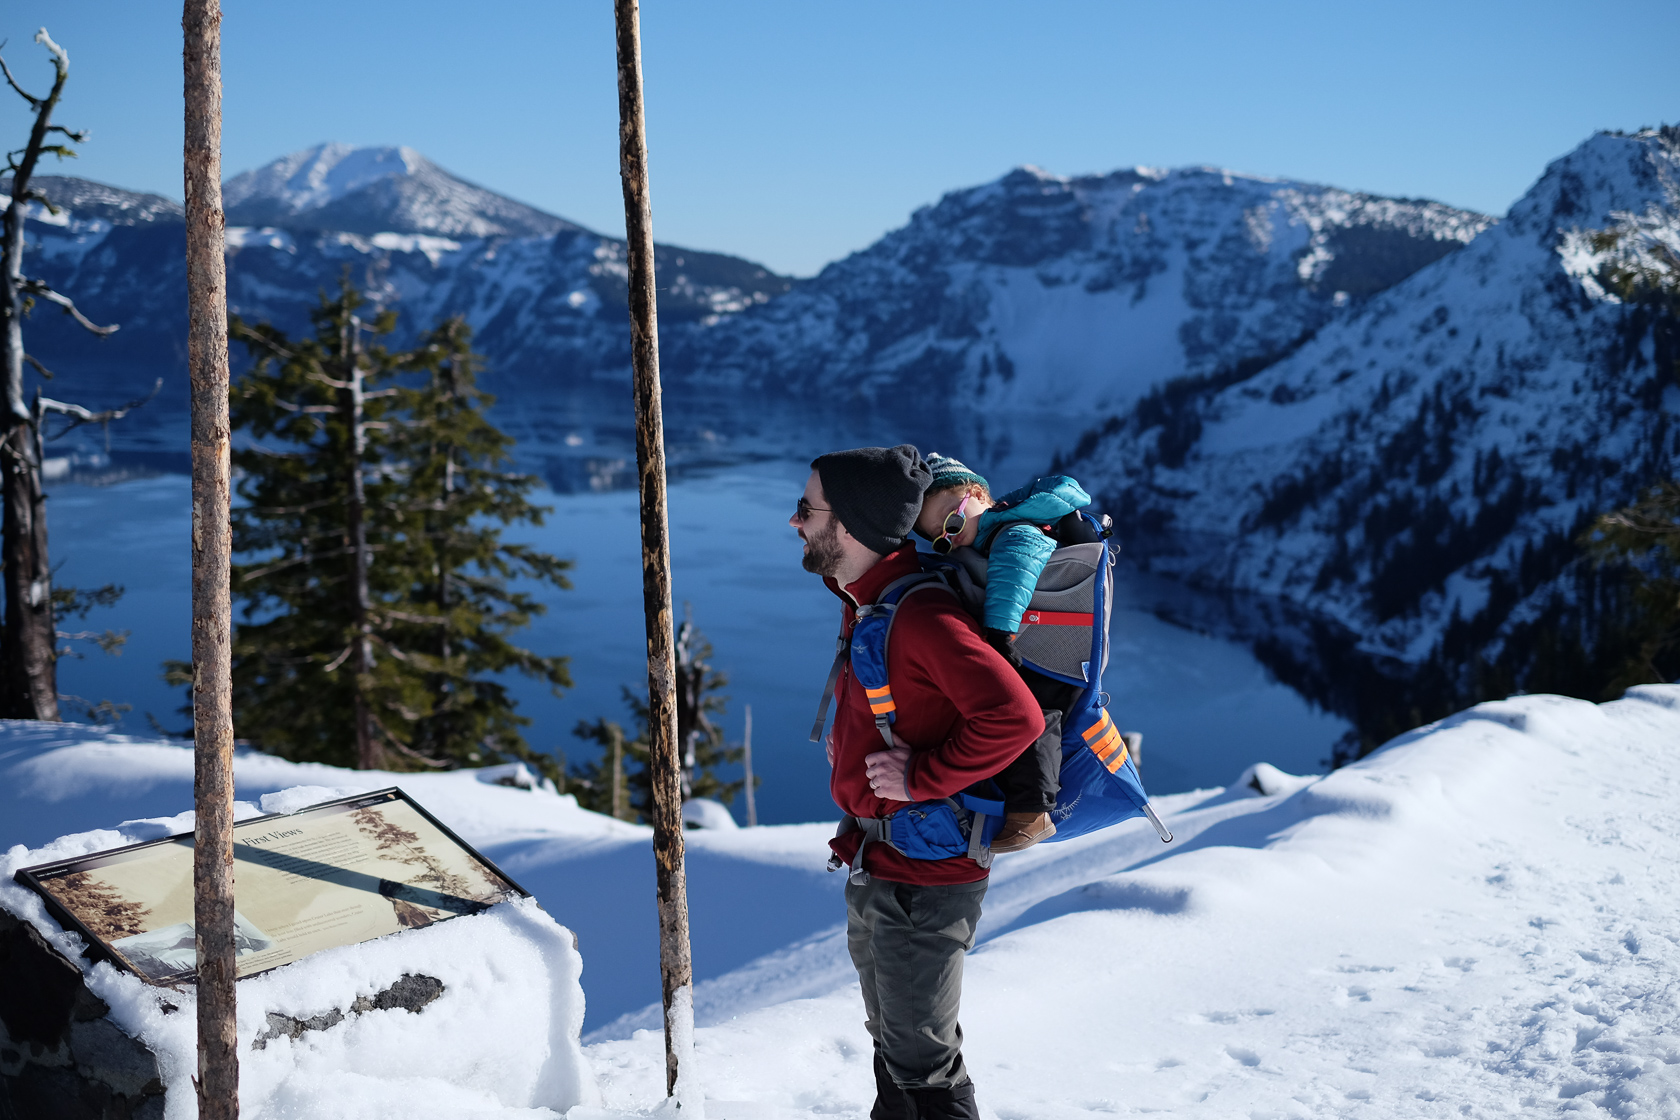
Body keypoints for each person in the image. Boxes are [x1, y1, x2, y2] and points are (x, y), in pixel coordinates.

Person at [792, 444, 1043, 1120]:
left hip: (924, 881)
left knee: (925, 1069)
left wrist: (922, 776)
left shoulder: (921, 617)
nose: (796, 523)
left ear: (848, 525)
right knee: (897, 1050)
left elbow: (1013, 717)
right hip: (883, 861)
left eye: (807, 509)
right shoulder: (869, 597)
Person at [913, 453, 1094, 852]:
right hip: (1042, 646)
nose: (952, 538)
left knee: (1028, 714)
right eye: (941, 540)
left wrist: (998, 633)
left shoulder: (1014, 531)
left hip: (1044, 653)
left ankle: (1032, 814)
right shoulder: (989, 534)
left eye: (953, 523)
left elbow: (1014, 579)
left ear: (978, 493)